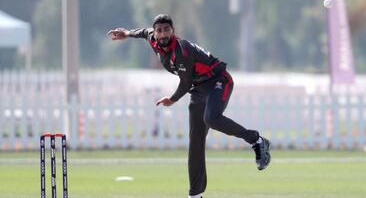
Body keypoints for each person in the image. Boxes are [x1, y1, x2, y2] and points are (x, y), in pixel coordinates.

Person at [107, 14, 271, 198]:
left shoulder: (181, 52)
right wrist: (128, 33)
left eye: (167, 30)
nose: (162, 35)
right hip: (199, 89)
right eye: (159, 30)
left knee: (211, 118)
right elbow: (144, 32)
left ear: (173, 31)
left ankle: (257, 141)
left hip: (218, 81)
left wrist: (172, 99)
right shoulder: (152, 37)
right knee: (195, 142)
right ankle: (195, 195)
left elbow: (184, 84)